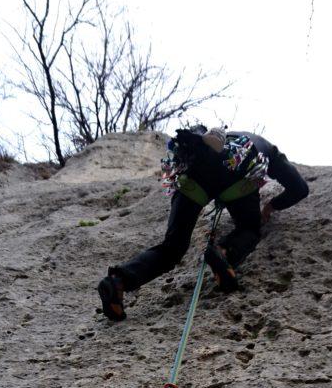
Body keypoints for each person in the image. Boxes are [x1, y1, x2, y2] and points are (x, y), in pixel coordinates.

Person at [97, 126, 308, 321]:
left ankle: (118, 280)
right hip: (236, 177)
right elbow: (300, 188)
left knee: (173, 248)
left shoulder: (216, 141)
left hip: (192, 177)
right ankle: (225, 252)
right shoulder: (265, 148)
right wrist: (271, 206)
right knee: (249, 229)